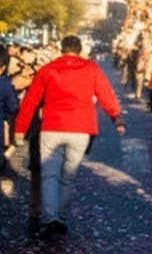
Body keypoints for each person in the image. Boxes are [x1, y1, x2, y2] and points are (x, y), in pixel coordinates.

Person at [13, 35, 125, 238]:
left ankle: (49, 219)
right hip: (81, 127)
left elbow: (31, 101)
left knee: (49, 175)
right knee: (68, 176)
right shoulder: (91, 69)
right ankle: (61, 218)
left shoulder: (48, 69)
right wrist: (116, 118)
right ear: (80, 50)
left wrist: (20, 129)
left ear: (62, 50)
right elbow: (105, 94)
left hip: (53, 126)